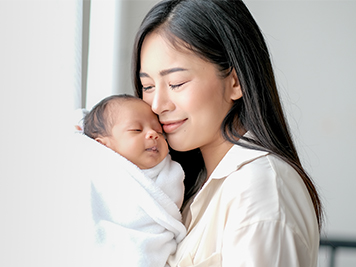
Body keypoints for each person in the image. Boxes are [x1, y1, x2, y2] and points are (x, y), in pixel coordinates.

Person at [132, 0, 323, 266]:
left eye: (176, 83)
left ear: (235, 82)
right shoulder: (189, 187)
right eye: (148, 86)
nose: (157, 104)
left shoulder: (259, 189)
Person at [83, 94, 186, 267]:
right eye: (137, 130)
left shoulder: (170, 171)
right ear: (103, 146)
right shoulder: (98, 170)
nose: (153, 134)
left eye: (159, 132)